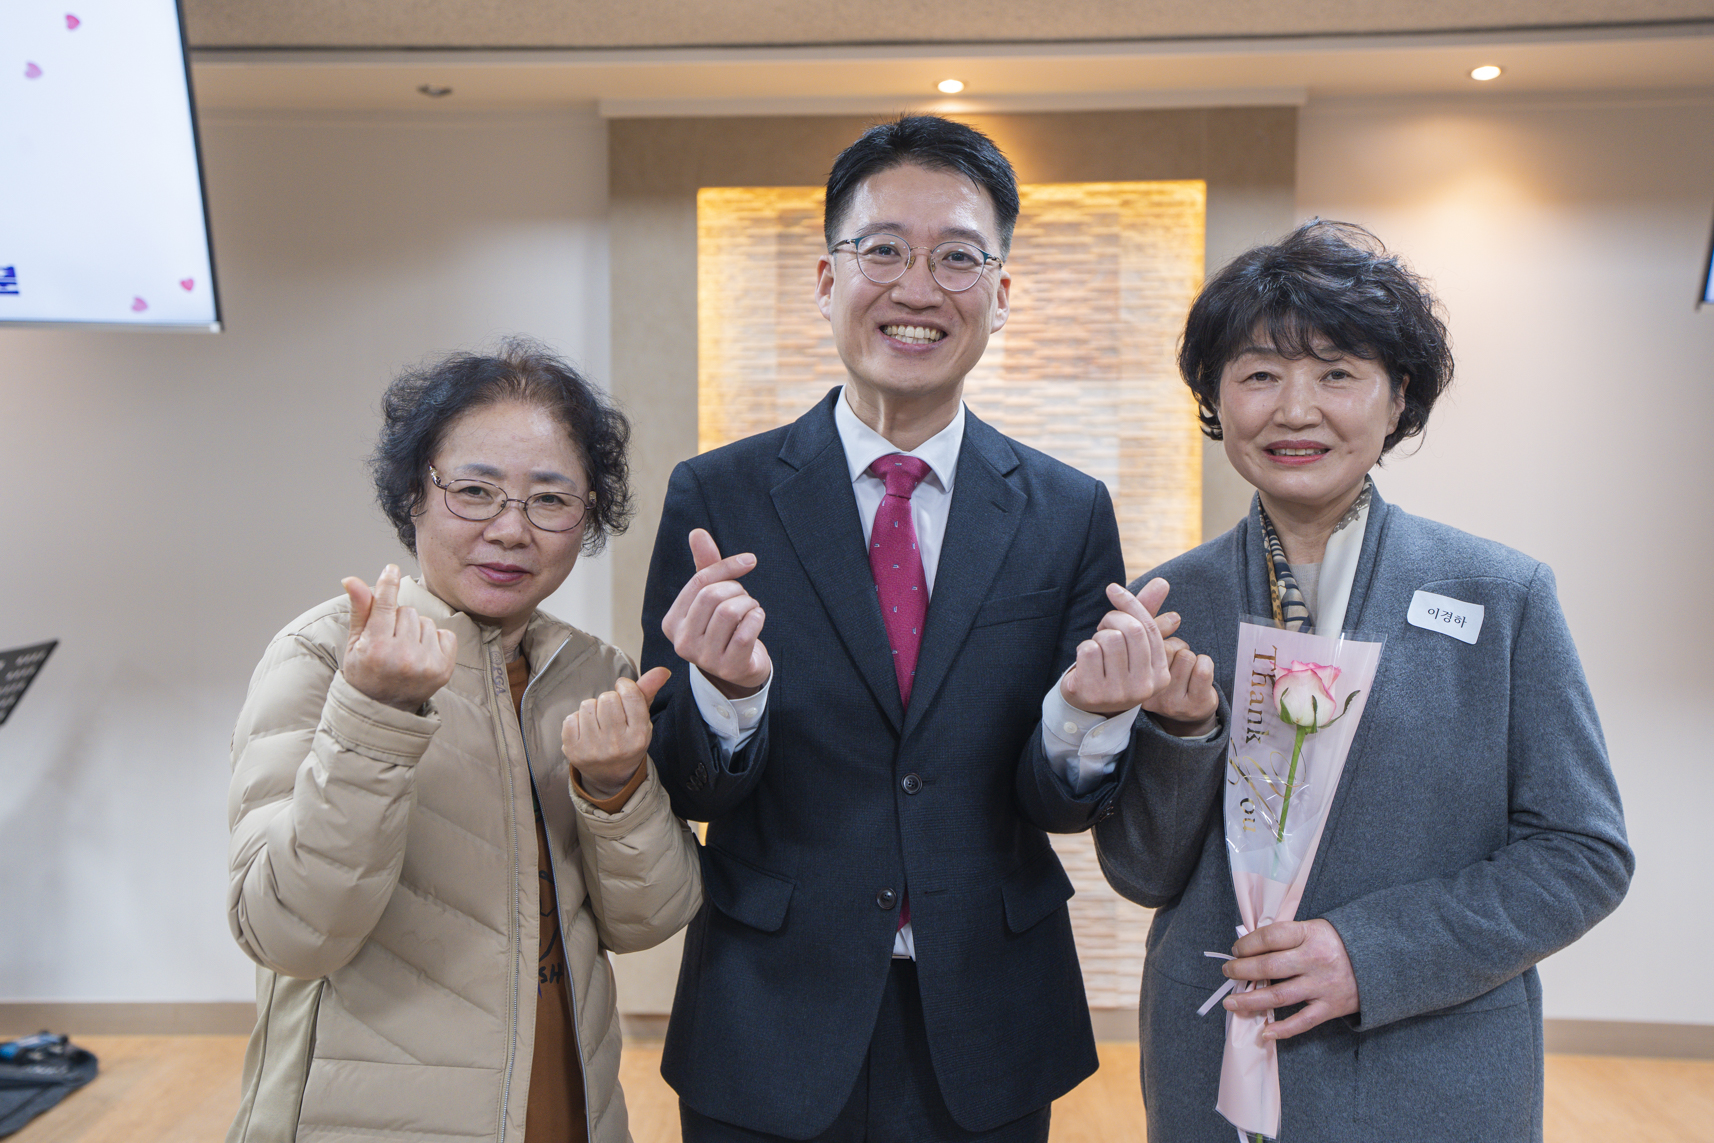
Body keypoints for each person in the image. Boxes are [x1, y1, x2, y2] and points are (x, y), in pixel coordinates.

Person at [638, 115, 1208, 1143]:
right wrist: (725, 697)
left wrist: (1085, 716)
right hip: (767, 1012)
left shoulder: (1067, 509)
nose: (916, 288)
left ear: (1001, 293)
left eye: (956, 258)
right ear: (826, 280)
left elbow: (1059, 804)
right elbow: (687, 786)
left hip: (989, 1013)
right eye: (884, 251)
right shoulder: (718, 496)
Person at [1094, 220, 1634, 1142]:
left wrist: (1369, 952)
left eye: (1338, 373)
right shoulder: (1167, 603)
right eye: (1259, 374)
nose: (1295, 409)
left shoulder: (1500, 596)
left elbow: (1584, 853)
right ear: (1216, 397)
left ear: (1398, 398)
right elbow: (1140, 872)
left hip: (1430, 1071)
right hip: (1212, 1068)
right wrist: (1182, 736)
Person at [225, 341, 702, 1143]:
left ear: (587, 515)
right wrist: (374, 712)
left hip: (568, 1109)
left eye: (550, 499)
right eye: (475, 491)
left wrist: (617, 788)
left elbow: (648, 919)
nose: (511, 530)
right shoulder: (326, 655)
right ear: (413, 493)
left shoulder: (593, 671)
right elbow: (288, 932)